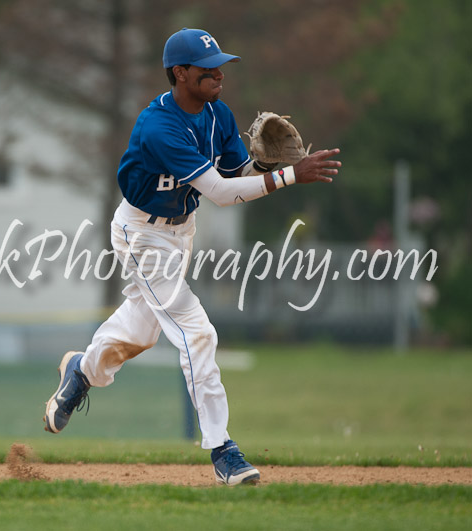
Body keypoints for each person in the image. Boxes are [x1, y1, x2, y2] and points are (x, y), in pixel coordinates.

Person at [43, 28, 341, 486]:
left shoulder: (217, 115)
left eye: (221, 65)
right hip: (141, 234)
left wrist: (263, 167)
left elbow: (233, 173)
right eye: (207, 68)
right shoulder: (158, 126)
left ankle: (82, 371)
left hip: (180, 232)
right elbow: (221, 193)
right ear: (180, 74)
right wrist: (286, 177)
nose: (218, 74)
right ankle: (223, 451)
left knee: (141, 329)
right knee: (196, 332)